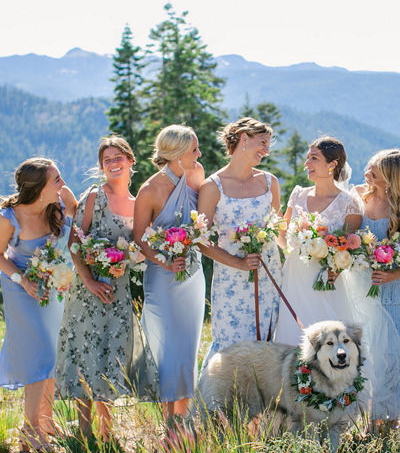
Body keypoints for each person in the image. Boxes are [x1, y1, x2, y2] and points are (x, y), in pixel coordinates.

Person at [56, 136, 158, 442]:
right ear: (101, 167)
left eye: (118, 158)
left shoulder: (138, 202)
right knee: (85, 353)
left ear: (130, 161)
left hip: (119, 291)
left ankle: (108, 431)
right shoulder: (93, 197)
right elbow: (75, 243)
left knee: (110, 355)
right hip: (88, 292)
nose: (113, 164)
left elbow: (140, 244)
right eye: (107, 160)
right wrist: (89, 280)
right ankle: (85, 431)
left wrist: (129, 260)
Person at [0, 157, 76, 450]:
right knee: (40, 355)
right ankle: (29, 430)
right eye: (57, 180)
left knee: (53, 353)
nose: (63, 184)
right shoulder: (10, 216)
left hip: (52, 288)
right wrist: (23, 281)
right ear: (39, 188)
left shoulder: (61, 200)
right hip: (20, 289)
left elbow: (78, 216)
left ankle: (47, 423)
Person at [132, 125, 206, 427]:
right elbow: (139, 237)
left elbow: (202, 219)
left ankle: (186, 422)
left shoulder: (197, 174)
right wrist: (163, 259)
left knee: (188, 346)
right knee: (166, 349)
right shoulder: (149, 189)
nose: (199, 154)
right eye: (194, 149)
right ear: (175, 154)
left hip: (192, 276)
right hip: (162, 279)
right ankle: (169, 426)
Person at [198, 118, 282, 366]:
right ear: (243, 139)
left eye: (268, 144)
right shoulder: (213, 186)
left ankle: (265, 402)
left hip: (269, 273)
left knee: (268, 338)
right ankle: (220, 401)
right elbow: (200, 241)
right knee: (232, 343)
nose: (266, 150)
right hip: (231, 278)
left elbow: (276, 229)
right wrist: (239, 262)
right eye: (262, 142)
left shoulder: (270, 182)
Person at [356, 149, 400, 432]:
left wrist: (393, 273)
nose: (367, 171)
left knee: (394, 355)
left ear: (390, 176)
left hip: (394, 289)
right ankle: (368, 420)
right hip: (363, 286)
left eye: (374, 169)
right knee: (368, 353)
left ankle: (390, 421)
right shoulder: (360, 197)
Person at [274, 136, 363, 345]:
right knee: (292, 333)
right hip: (294, 275)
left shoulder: (349, 204)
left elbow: (350, 248)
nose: (307, 164)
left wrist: (334, 266)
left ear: (332, 164)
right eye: (307, 158)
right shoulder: (298, 195)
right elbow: (282, 235)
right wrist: (292, 247)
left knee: (328, 334)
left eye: (313, 158)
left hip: (326, 280)